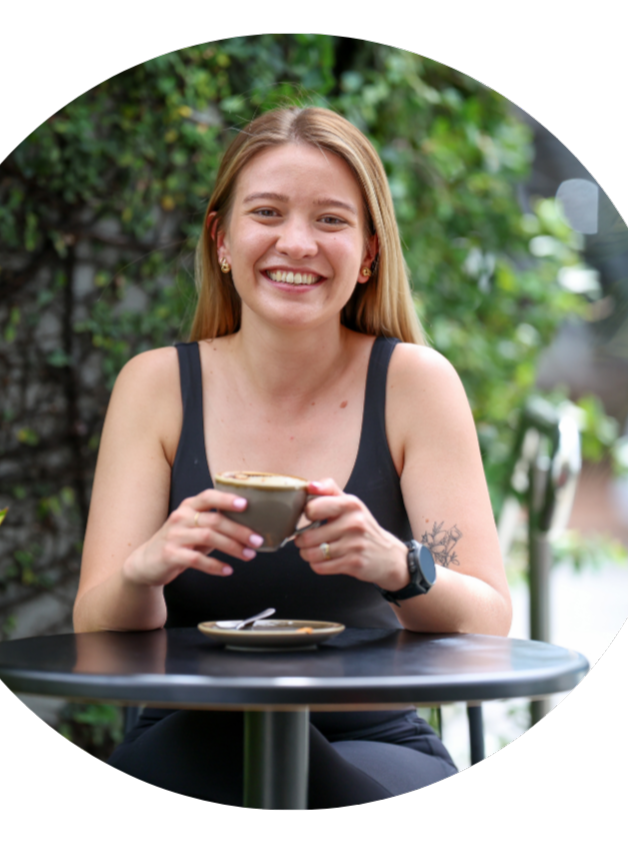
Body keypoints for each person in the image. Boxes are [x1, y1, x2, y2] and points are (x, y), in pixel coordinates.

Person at [73, 106, 513, 807]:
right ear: (222, 239)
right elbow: (95, 626)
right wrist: (146, 567)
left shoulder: (415, 384)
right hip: (191, 732)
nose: (297, 243)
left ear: (368, 253)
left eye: (331, 220)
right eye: (267, 212)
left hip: (376, 740)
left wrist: (396, 565)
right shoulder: (154, 385)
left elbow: (489, 620)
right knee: (232, 732)